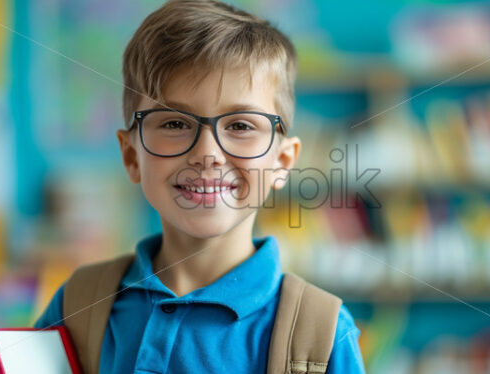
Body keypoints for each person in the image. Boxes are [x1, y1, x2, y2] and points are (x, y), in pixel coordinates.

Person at [34, 1, 365, 373]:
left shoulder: (322, 337)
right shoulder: (80, 304)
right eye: (174, 124)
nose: (207, 154)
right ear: (131, 156)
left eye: (240, 125)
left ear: (281, 162)